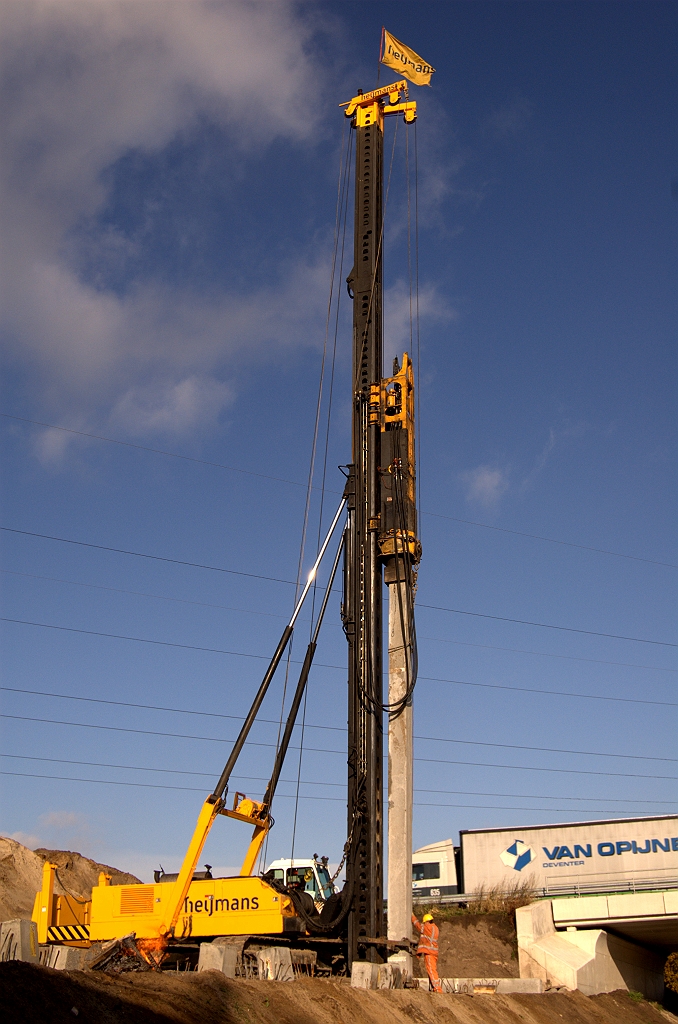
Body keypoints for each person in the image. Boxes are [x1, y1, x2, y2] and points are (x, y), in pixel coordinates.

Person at [411, 910, 442, 992]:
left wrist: (412, 916)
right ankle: (435, 988)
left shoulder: (427, 927)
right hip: (433, 952)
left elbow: (418, 925)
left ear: (426, 921)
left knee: (431, 970)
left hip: (429, 952)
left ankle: (437, 989)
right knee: (433, 969)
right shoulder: (435, 928)